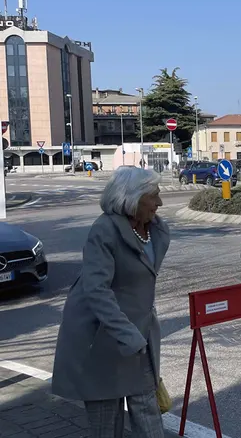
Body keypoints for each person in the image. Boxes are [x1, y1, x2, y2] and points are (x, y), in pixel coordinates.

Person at [52, 167, 169, 437]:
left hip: (138, 339)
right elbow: (96, 290)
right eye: (154, 196)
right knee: (106, 425)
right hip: (101, 339)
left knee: (148, 416)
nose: (160, 203)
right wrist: (127, 334)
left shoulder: (154, 231)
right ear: (132, 198)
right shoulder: (104, 230)